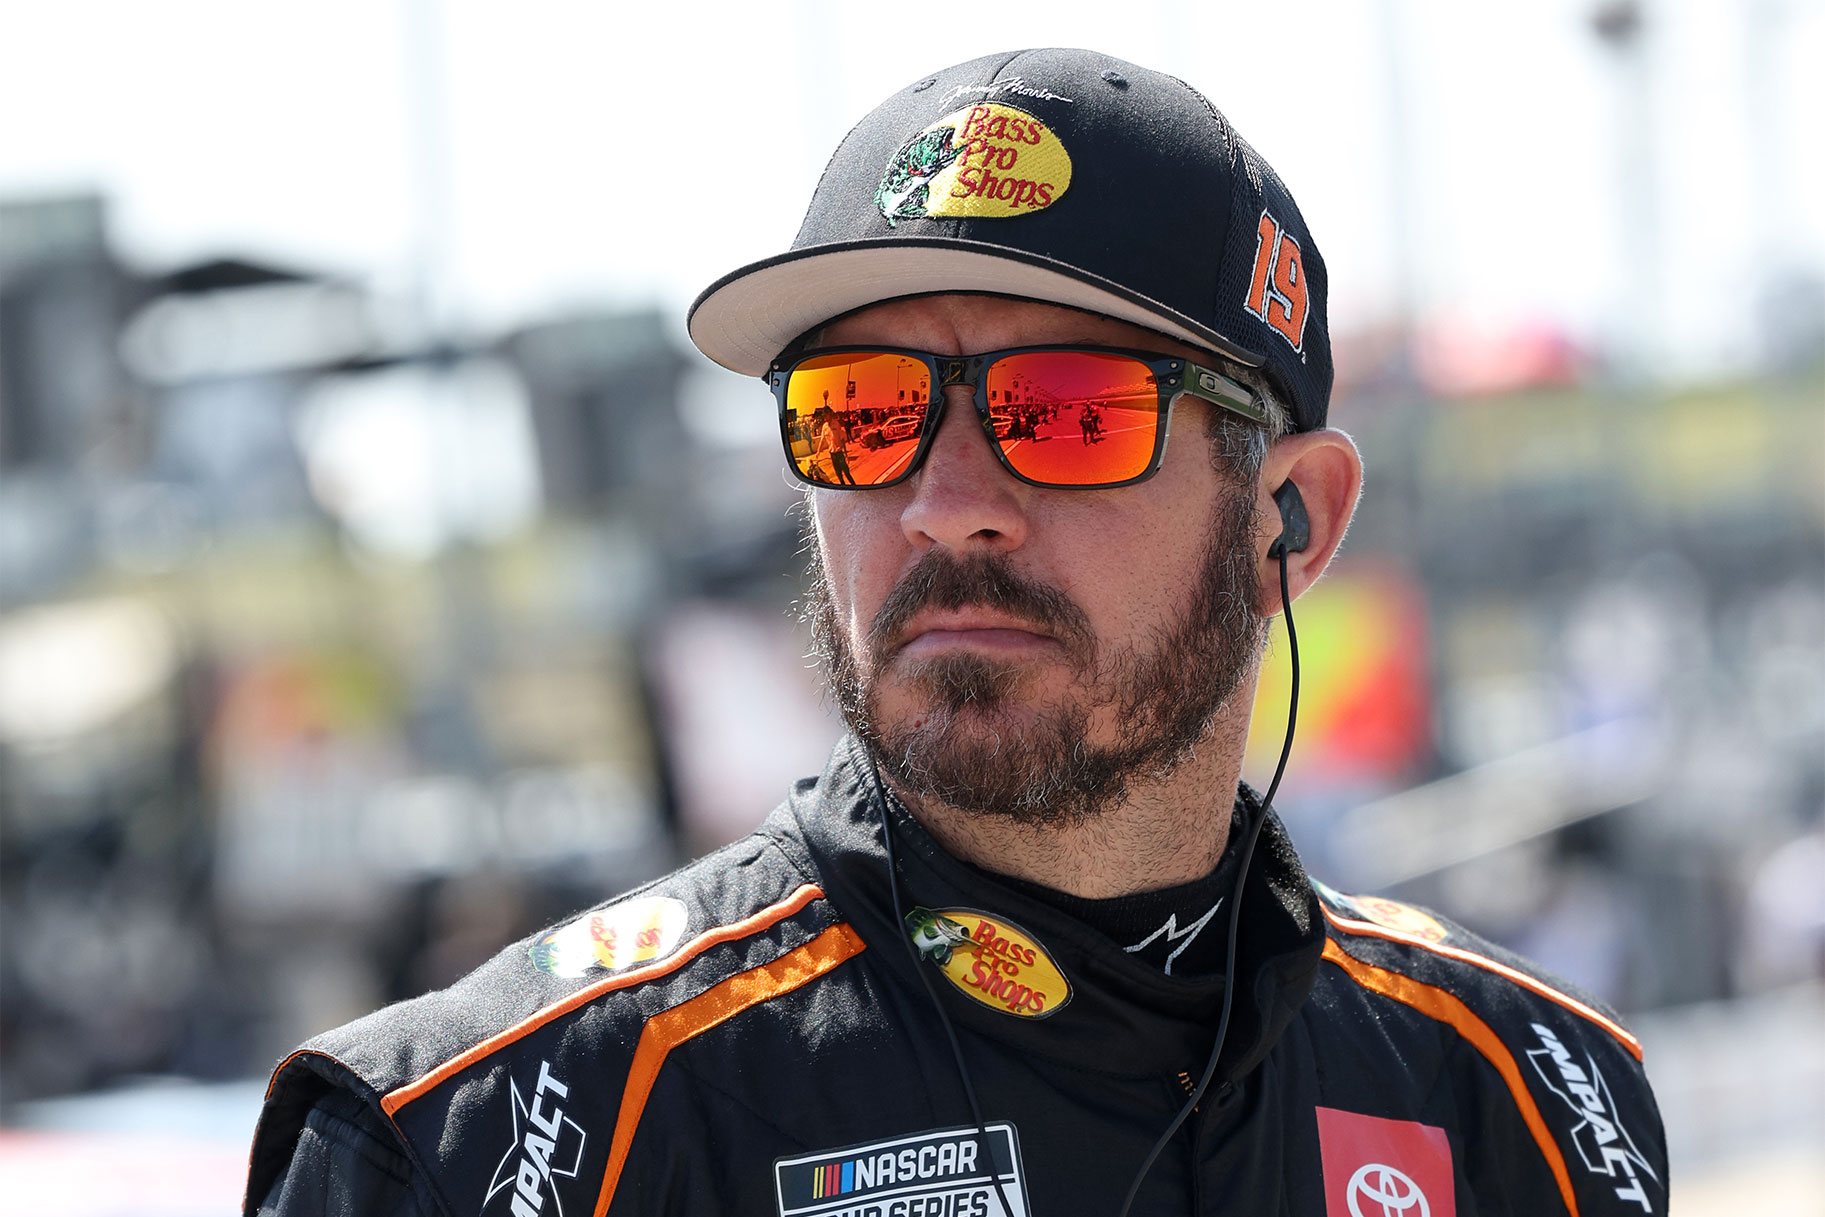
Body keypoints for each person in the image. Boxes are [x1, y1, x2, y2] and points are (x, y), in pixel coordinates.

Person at [245, 49, 1667, 1217]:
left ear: (1287, 517)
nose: (943, 503)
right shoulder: (480, 1143)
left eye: (1065, 410)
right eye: (860, 409)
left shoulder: (1528, 1100)